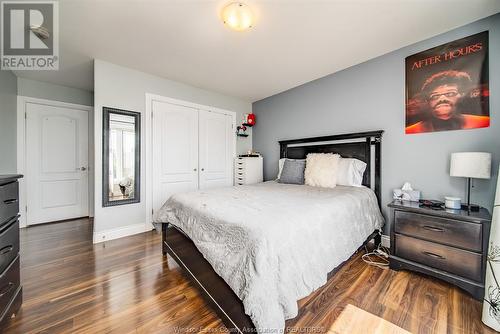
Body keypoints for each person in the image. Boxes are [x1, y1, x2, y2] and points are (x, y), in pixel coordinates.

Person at [405, 70, 489, 134]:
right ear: (428, 102)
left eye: (450, 93)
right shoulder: (411, 131)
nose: (442, 99)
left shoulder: (483, 122)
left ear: (462, 96)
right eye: (435, 96)